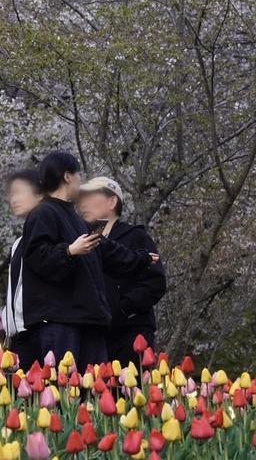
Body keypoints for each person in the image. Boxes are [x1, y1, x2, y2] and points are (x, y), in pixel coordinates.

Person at [18, 151, 156, 368]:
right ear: (67, 176)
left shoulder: (76, 220)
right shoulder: (43, 213)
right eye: (78, 176)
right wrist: (69, 251)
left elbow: (108, 251)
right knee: (63, 387)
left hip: (88, 318)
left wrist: (142, 258)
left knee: (93, 390)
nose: (80, 183)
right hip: (59, 319)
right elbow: (36, 256)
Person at [77, 176, 167, 366]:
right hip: (95, 333)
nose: (83, 203)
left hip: (131, 333)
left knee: (130, 391)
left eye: (90, 196)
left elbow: (156, 282)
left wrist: (124, 308)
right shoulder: (83, 242)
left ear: (112, 201)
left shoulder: (135, 236)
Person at [2, 168, 44, 369]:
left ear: (39, 194)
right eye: (11, 193)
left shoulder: (50, 235)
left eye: (19, 192)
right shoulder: (19, 243)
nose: (13, 199)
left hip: (42, 329)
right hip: (20, 332)